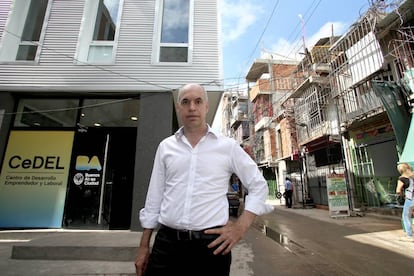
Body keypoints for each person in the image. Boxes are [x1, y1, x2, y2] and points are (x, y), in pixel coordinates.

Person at [134, 83, 273, 276]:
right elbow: (154, 198)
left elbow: (258, 185)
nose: (192, 107)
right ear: (178, 107)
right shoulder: (166, 147)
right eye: (186, 102)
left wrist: (240, 227)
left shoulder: (227, 147)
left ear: (206, 107)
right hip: (167, 245)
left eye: (198, 101)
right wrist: (143, 246)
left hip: (211, 248)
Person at [396, 162, 414, 242]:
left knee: (406, 216)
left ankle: (409, 235)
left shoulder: (401, 178)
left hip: (410, 200)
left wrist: (401, 195)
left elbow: (398, 191)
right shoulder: (413, 177)